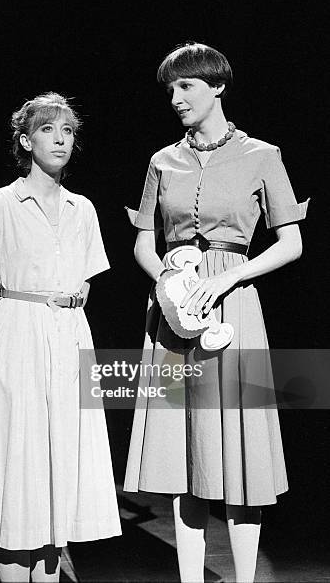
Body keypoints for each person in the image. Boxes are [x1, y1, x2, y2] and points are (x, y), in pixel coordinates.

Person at [124, 42, 309, 583]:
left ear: (217, 87)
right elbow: (142, 242)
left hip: (235, 308)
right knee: (187, 451)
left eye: (186, 87)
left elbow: (290, 242)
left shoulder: (261, 155)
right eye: (171, 90)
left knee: (240, 448)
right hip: (174, 313)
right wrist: (169, 281)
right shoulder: (163, 160)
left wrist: (228, 275)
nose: (176, 99)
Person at [0, 92, 121, 582]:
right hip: (17, 340)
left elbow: (84, 287)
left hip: (70, 342)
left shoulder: (82, 209)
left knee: (60, 472)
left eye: (67, 131)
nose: (60, 139)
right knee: (18, 471)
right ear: (26, 141)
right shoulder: (0, 204)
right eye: (48, 130)